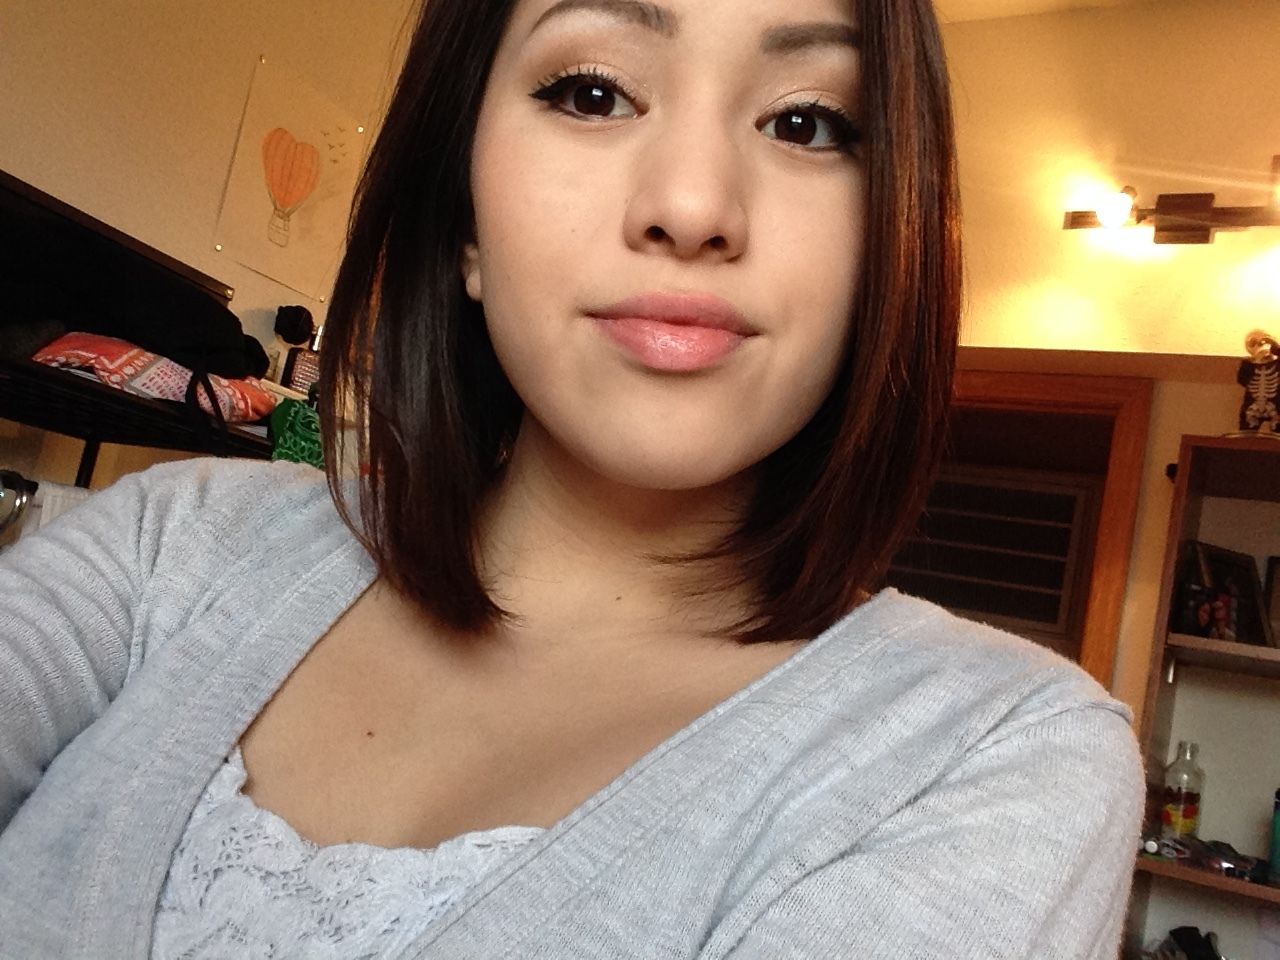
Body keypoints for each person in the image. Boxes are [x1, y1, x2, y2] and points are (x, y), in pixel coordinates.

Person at [0, 0, 1144, 956]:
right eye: (592, 93)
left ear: (887, 240)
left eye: (805, 122)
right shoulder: (168, 547)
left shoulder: (993, 754)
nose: (690, 208)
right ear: (464, 220)